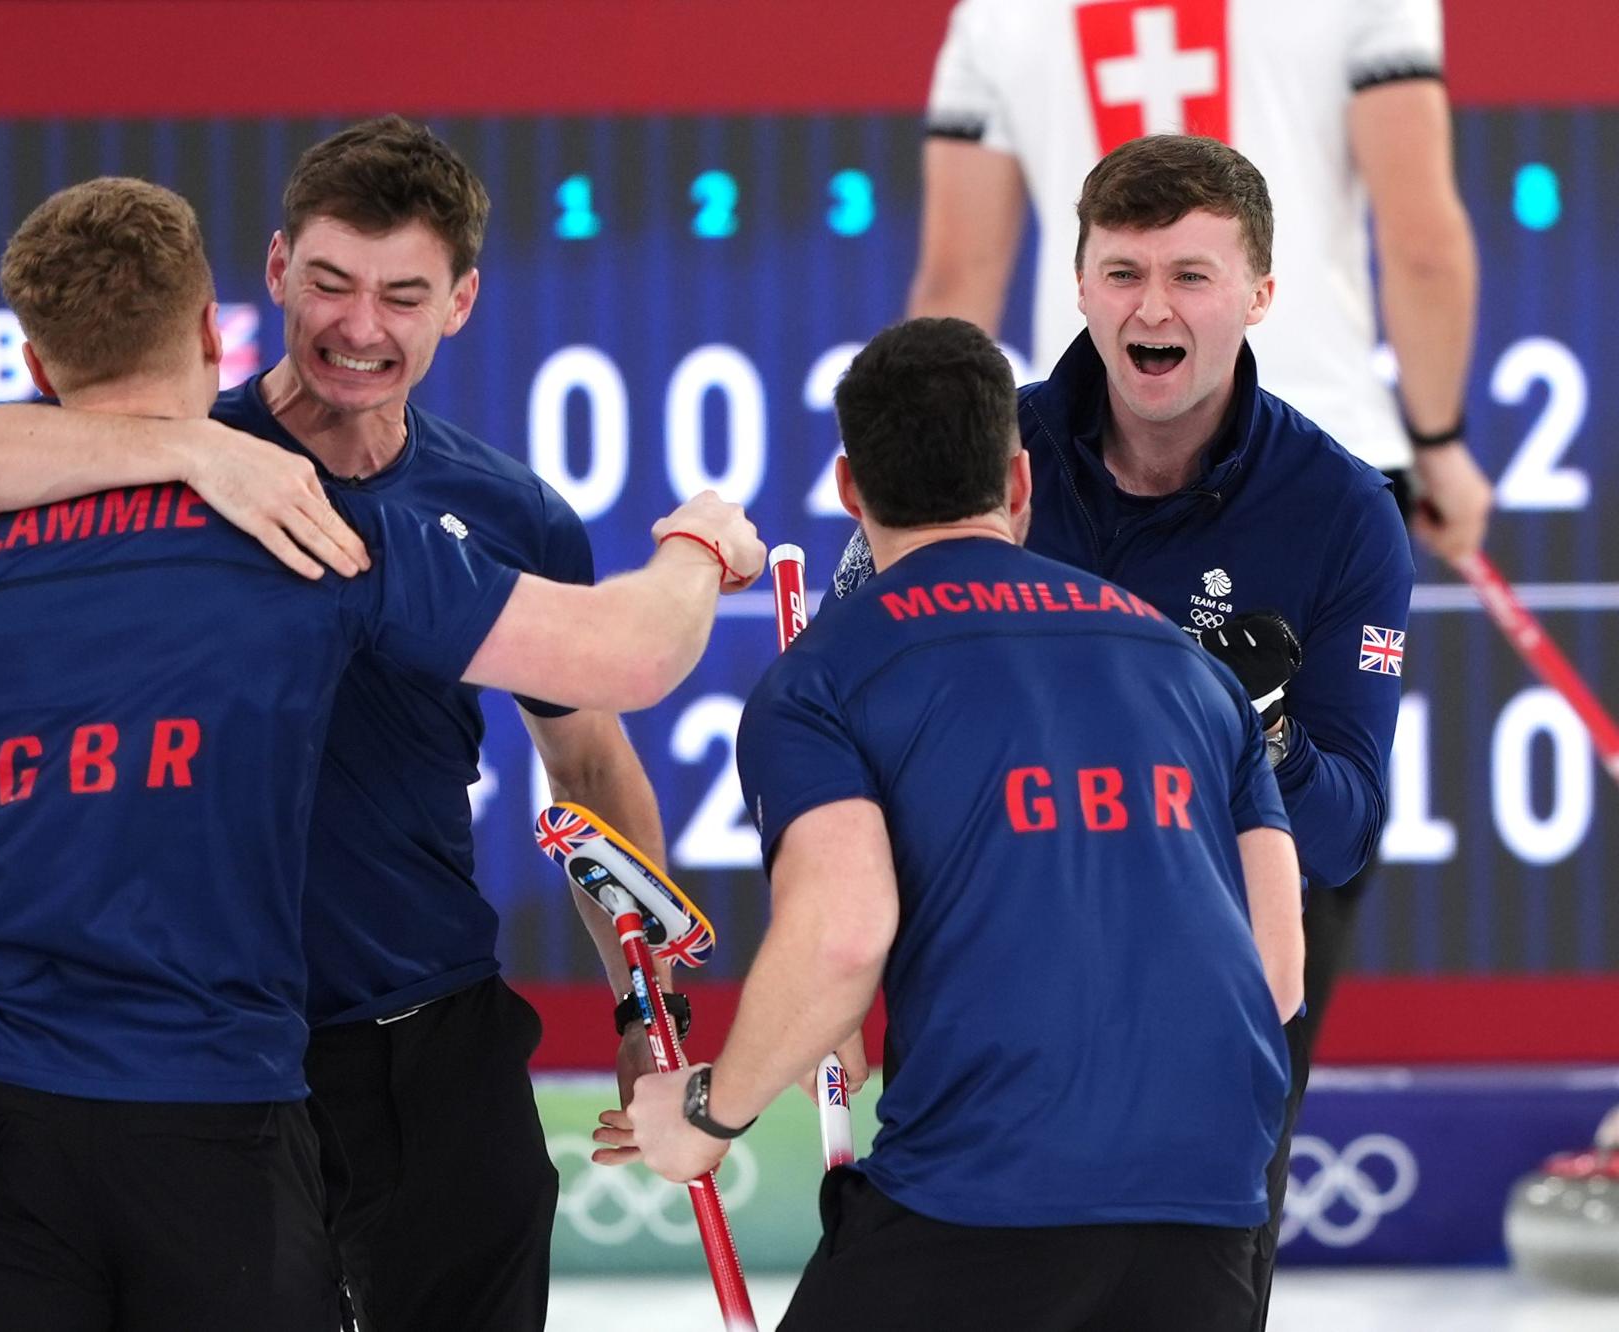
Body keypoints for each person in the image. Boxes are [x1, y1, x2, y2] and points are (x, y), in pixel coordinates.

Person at [0, 175, 764, 1329]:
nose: (360, 326)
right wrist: (701, 543)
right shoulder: (314, 527)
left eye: (403, 294)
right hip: (230, 1091)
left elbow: (591, 765)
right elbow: (638, 653)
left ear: (460, 302)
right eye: (332, 284)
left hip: (376, 1051)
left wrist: (646, 1013)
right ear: (255, 291)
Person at [608, 316, 1304, 1331]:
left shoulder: (824, 677)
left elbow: (841, 934)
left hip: (978, 1200)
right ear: (1019, 484)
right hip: (1208, 1211)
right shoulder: (1188, 670)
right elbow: (1273, 974)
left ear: (850, 491)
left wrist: (708, 1114)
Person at [842, 134, 1416, 1326]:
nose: (1151, 309)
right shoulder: (985, 457)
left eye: (1190, 276)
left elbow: (1345, 830)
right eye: (1121, 272)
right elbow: (860, 706)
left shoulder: (1343, 511)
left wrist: (1256, 730)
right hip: (991, 928)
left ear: (1258, 294)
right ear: (1078, 280)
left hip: (1217, 943)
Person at [908, 0, 1487, 1047]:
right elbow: (1421, 240)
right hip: (1319, 462)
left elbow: (953, 283)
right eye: (1126, 272)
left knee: (1035, 858)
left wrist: (923, 480)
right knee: (1282, 873)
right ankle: (1225, 1193)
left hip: (1061, 467)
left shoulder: (994, 14)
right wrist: (1438, 436)